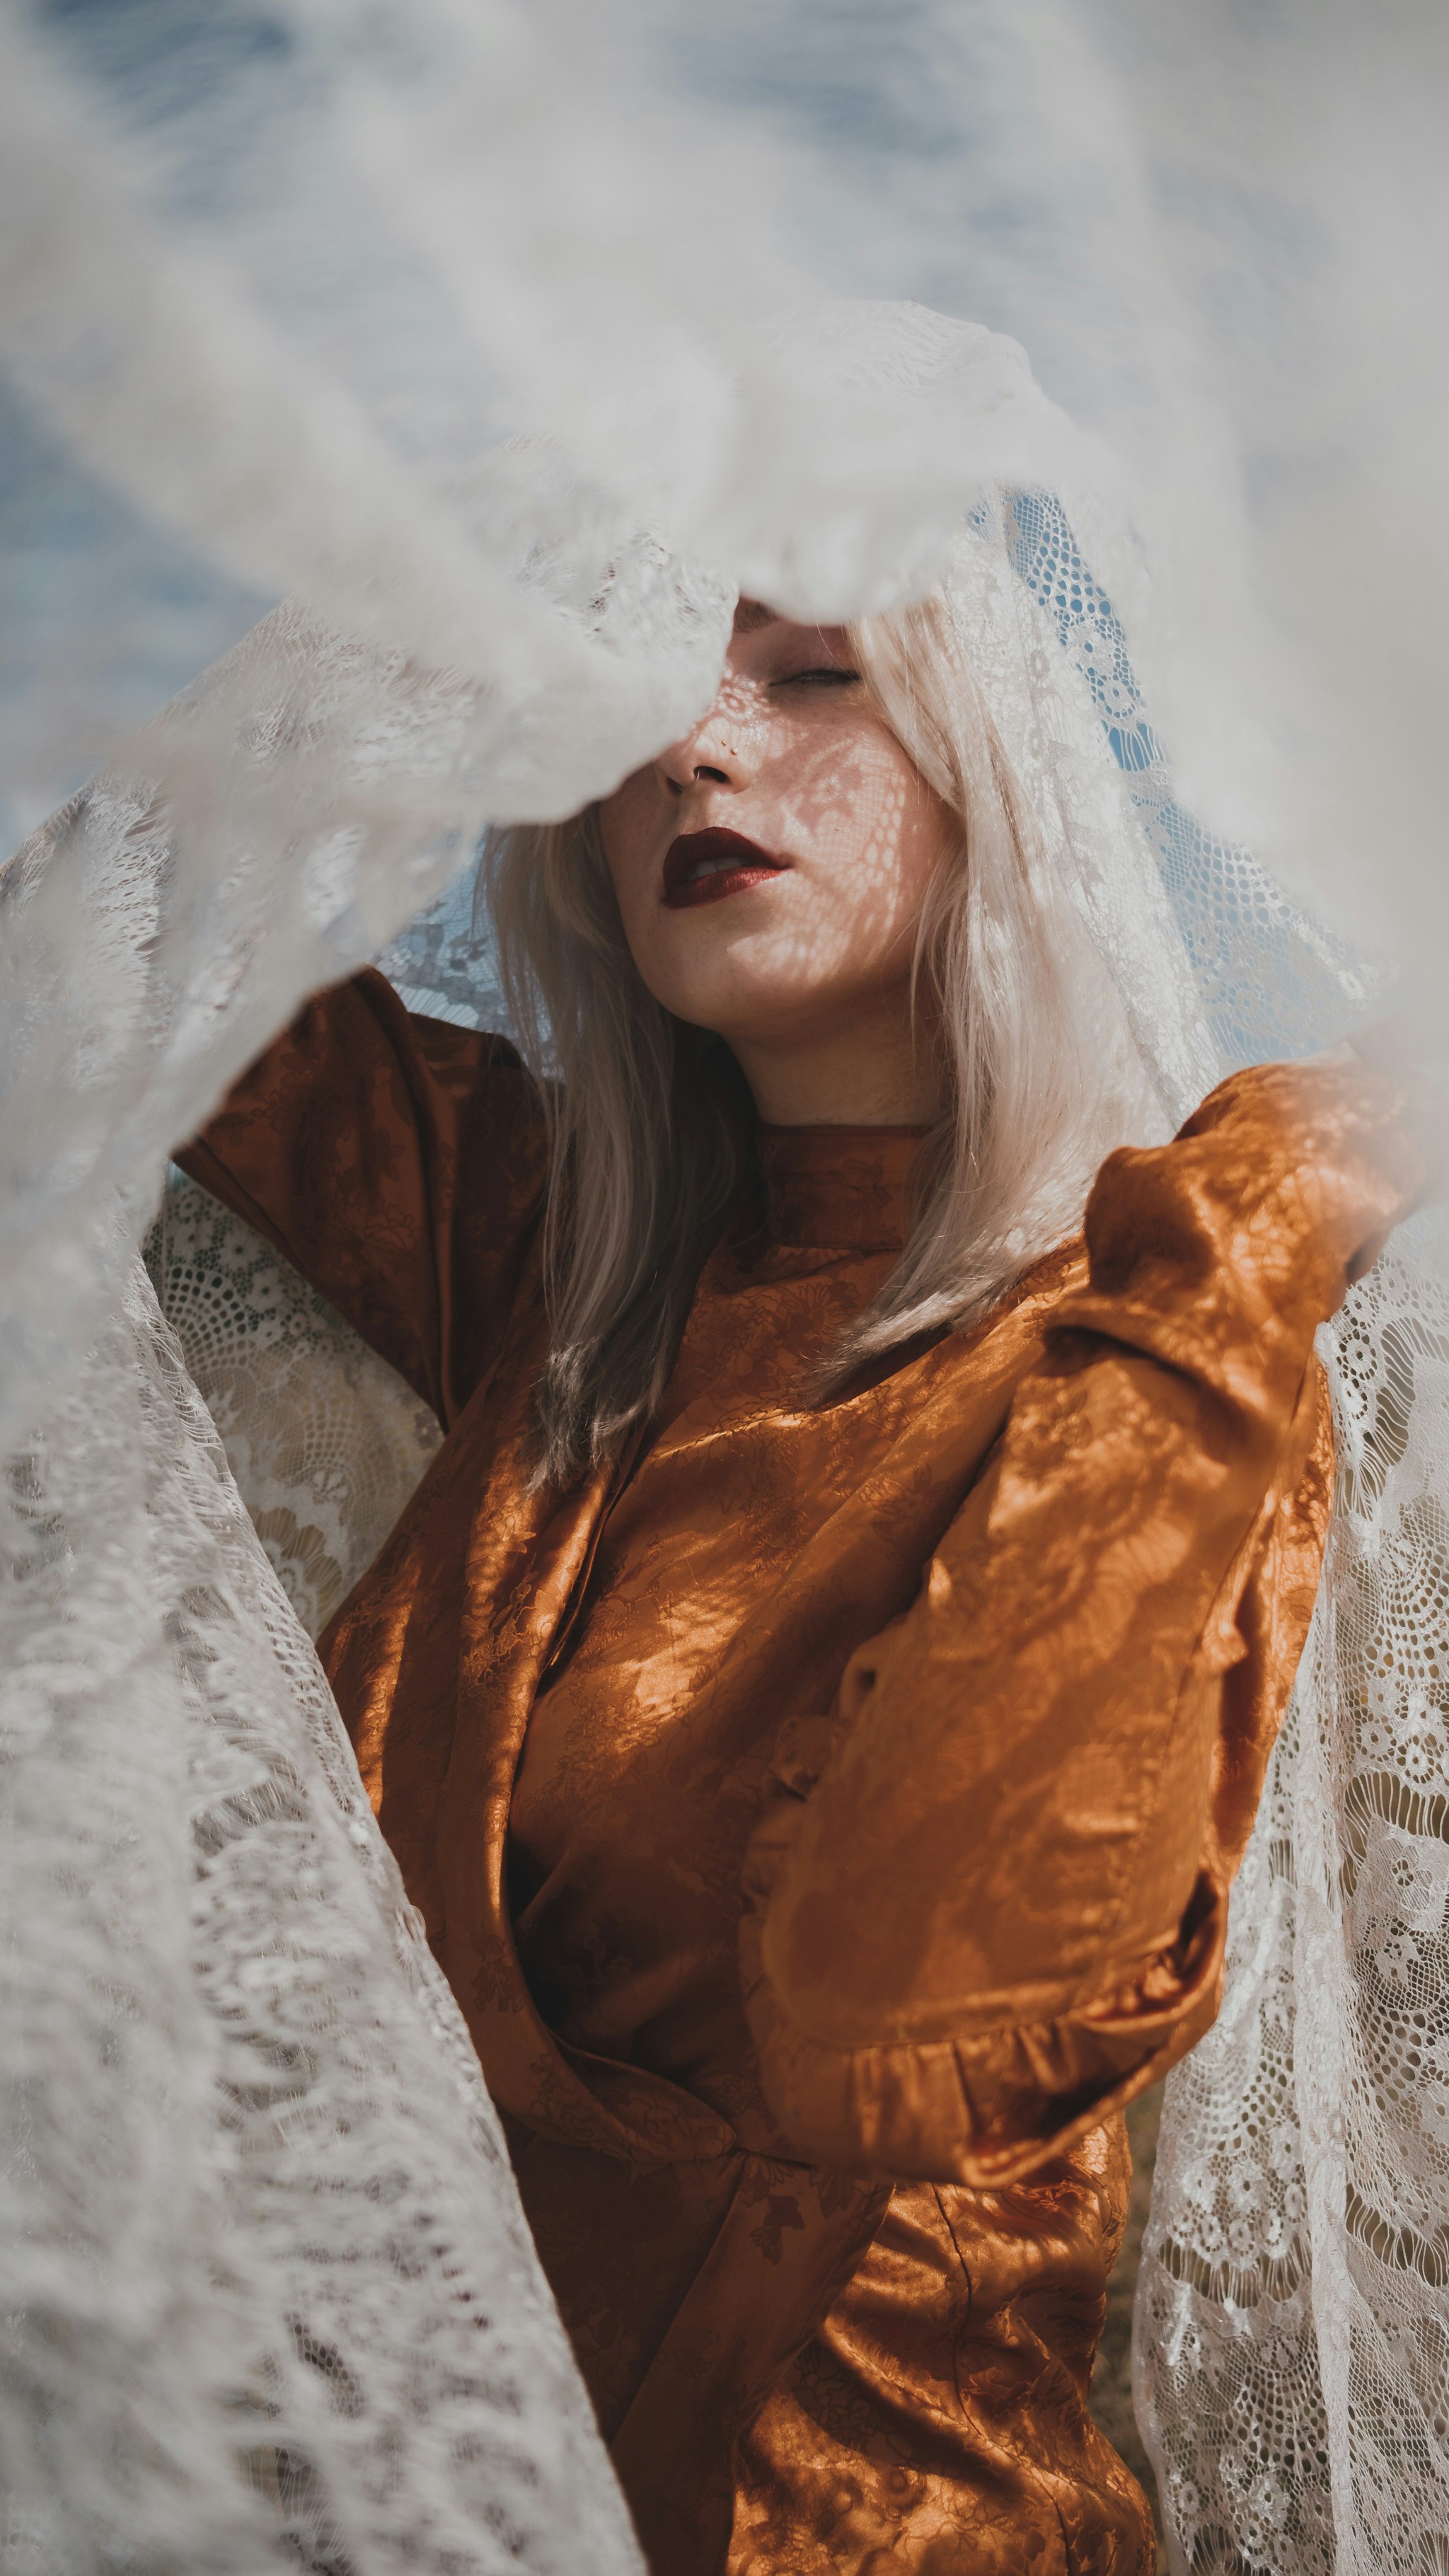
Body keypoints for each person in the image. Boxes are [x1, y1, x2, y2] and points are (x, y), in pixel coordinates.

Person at [178, 564, 1428, 2576]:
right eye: (644, 696)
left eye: (814, 675)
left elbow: (893, 2033)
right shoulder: (556, 1265)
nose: (699, 742)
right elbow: (105, 940)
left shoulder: (1152, 1360)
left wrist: (1283, 1189)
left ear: (995, 765)